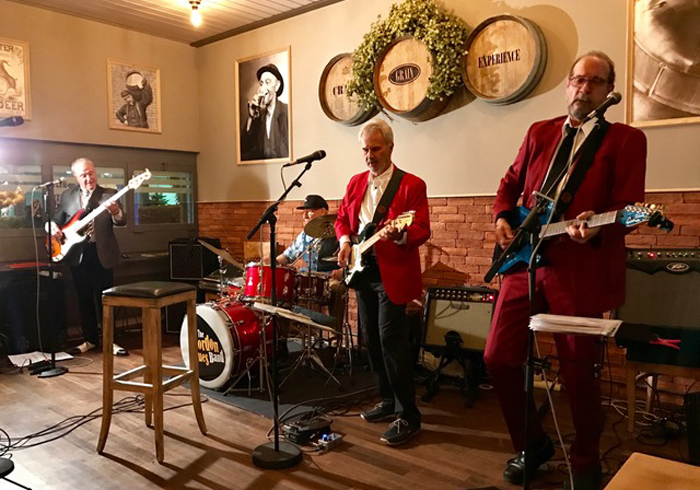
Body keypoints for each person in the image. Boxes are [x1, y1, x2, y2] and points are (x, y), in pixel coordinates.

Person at [484, 51, 647, 490]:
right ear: (568, 85)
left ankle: (586, 459)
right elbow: (509, 183)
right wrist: (501, 217)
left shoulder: (627, 139)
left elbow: (631, 208)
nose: (584, 88)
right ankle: (533, 444)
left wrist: (596, 229)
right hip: (524, 263)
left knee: (578, 372)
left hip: (580, 270)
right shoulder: (540, 131)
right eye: (578, 79)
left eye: (595, 81)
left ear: (609, 89)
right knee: (497, 357)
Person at [336, 119, 430, 446]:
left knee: (391, 338)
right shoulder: (355, 182)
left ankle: (408, 415)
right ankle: (388, 399)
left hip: (393, 271)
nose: (369, 155)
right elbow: (342, 219)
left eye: (375, 148)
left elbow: (422, 229)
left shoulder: (412, 184)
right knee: (371, 338)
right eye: (365, 149)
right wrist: (345, 242)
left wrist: (400, 233)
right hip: (361, 270)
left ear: (390, 147)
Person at [49, 158, 128, 356]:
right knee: (83, 299)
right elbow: (56, 219)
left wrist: (116, 212)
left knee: (106, 300)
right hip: (77, 255)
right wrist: (52, 228)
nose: (88, 178)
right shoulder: (68, 195)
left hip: (102, 254)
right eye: (83, 175)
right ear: (76, 177)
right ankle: (90, 340)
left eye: (91, 173)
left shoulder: (109, 193)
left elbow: (122, 221)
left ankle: (110, 341)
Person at [276, 194, 339, 273]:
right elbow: (287, 256)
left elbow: (351, 262)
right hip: (305, 276)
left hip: (328, 277)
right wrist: (271, 263)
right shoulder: (304, 235)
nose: (305, 216)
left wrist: (340, 271)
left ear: (322, 211)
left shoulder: (339, 233)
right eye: (303, 212)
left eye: (309, 211)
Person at [241, 63, 289, 160]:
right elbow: (244, 149)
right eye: (261, 84)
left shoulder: (286, 111)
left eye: (268, 82)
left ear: (277, 86)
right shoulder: (258, 117)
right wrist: (251, 118)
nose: (263, 88)